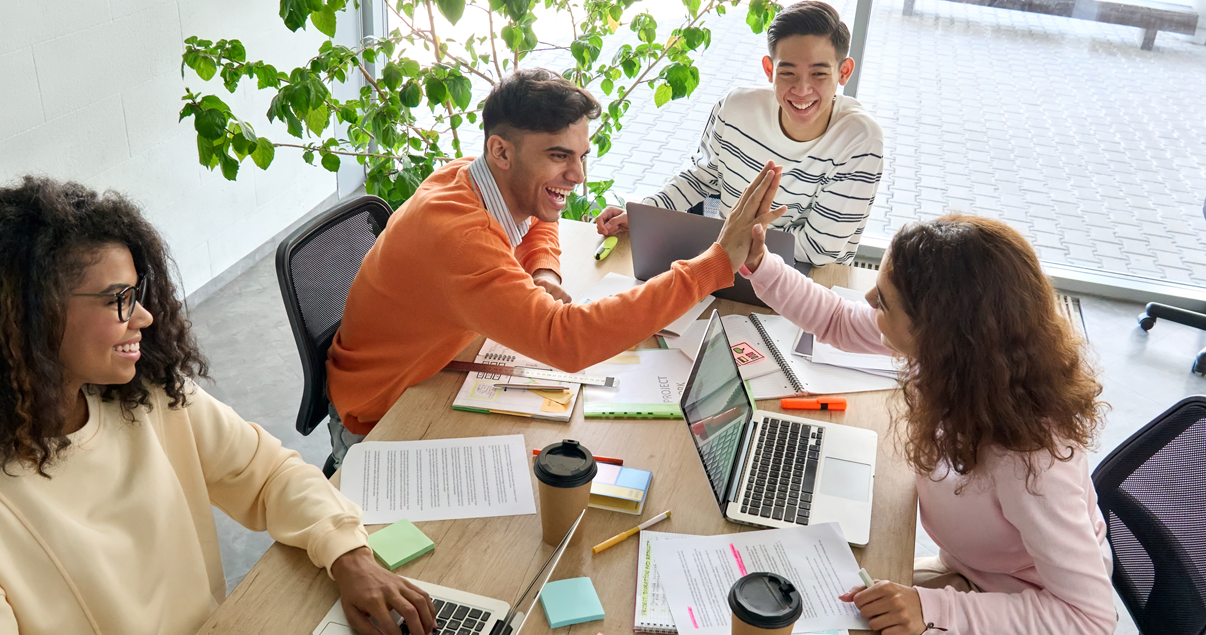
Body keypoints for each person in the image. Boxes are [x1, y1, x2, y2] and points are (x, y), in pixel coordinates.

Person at [0, 177, 436, 635]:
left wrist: (350, 554)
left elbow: (271, 474)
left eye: (138, 293)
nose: (145, 317)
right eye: (119, 300)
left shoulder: (150, 396)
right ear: (32, 313)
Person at [325, 68, 786, 465]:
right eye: (558, 156)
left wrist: (542, 273)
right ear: (501, 152)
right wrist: (714, 263)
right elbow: (567, 342)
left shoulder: (474, 176)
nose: (578, 175)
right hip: (380, 418)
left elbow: (537, 218)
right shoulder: (459, 236)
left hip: (434, 371)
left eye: (581, 155)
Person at [739, 215, 1116, 634]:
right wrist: (760, 264)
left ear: (936, 331)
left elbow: (1091, 620)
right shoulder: (959, 364)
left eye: (883, 301)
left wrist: (936, 609)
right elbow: (837, 322)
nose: (867, 300)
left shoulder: (1029, 460)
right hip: (971, 573)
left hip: (1019, 609)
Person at [594, 0, 883, 268]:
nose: (802, 89)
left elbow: (820, 250)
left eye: (819, 74)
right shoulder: (734, 108)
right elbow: (701, 177)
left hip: (804, 280)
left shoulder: (860, 139)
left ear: (843, 72)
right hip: (727, 265)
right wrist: (645, 214)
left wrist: (731, 242)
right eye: (788, 73)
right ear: (769, 70)